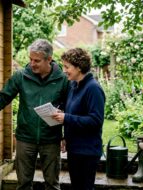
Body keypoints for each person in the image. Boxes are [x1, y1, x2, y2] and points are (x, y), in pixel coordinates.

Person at [0, 39, 68, 190]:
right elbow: (3, 97)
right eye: (30, 59)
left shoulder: (63, 80)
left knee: (52, 185)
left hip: (51, 139)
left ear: (49, 59)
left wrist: (65, 135)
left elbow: (70, 108)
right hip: (25, 139)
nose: (32, 64)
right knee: (23, 184)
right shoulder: (21, 76)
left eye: (37, 61)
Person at [52, 48, 105, 190]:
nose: (64, 70)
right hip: (74, 149)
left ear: (79, 67)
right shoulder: (73, 85)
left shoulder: (93, 88)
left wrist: (66, 118)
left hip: (87, 151)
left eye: (67, 67)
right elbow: (71, 111)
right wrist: (65, 136)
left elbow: (95, 121)